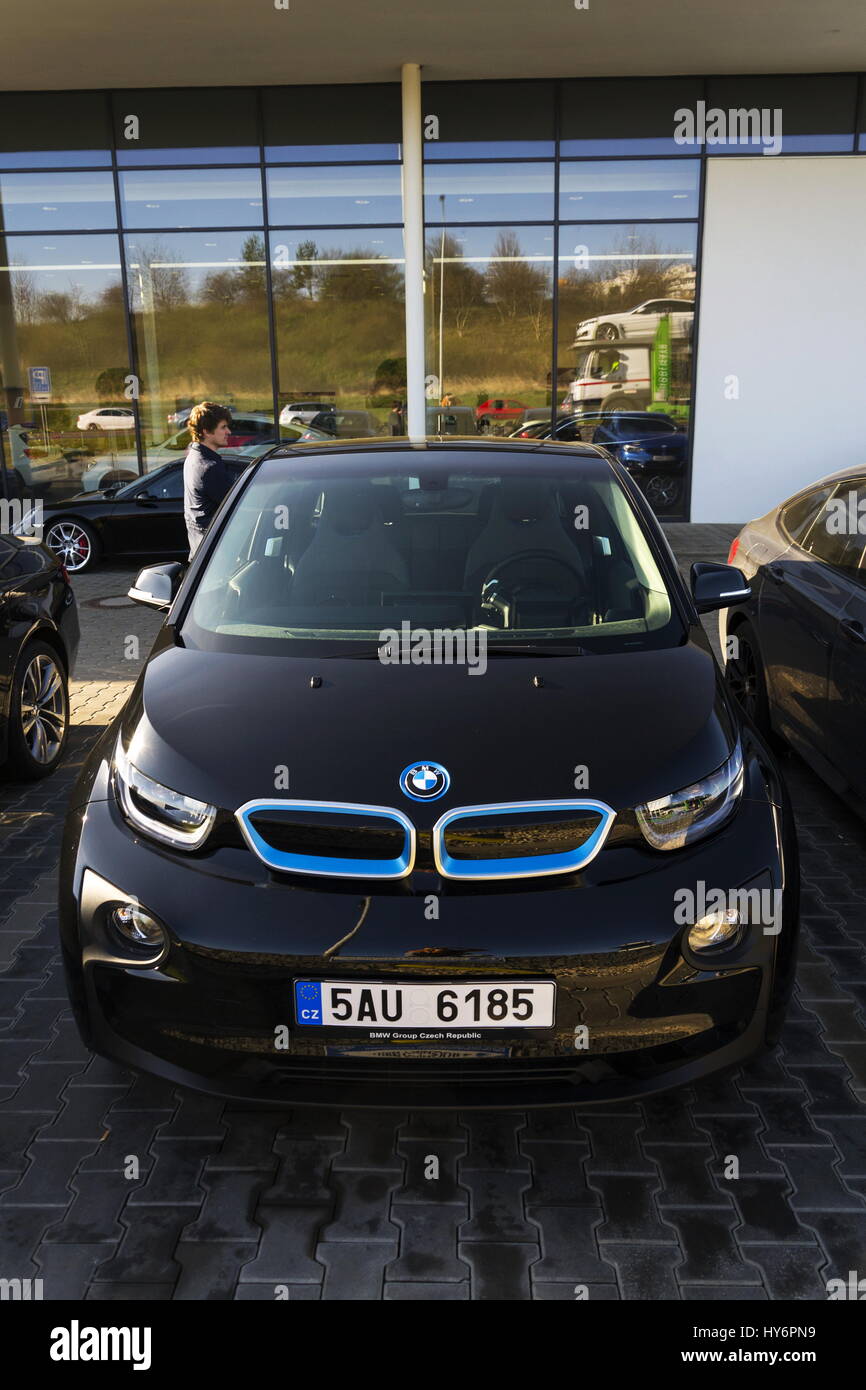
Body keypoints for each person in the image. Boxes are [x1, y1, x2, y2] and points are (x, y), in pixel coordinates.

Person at [183, 401, 234, 558]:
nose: (229, 432)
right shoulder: (208, 467)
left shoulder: (193, 456)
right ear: (206, 432)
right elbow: (239, 506)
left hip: (201, 549)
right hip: (215, 555)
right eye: (223, 427)